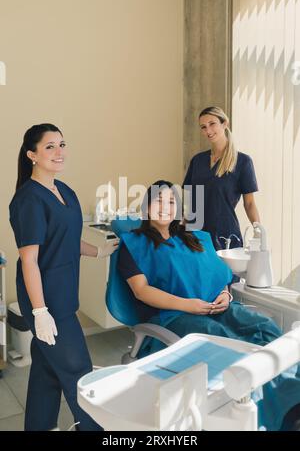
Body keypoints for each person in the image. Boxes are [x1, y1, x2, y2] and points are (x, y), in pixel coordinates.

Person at [117, 180, 300, 431]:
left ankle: (292, 395)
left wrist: (226, 295)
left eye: (171, 202)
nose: (164, 207)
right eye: (158, 200)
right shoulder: (133, 245)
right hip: (173, 316)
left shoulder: (196, 239)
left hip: (216, 307)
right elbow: (141, 291)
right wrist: (188, 305)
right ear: (147, 207)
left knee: (265, 327)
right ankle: (275, 415)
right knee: (225, 340)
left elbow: (217, 278)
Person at [9, 124, 118, 431]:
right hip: (46, 301)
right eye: (49, 147)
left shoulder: (64, 191)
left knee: (46, 370)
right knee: (79, 373)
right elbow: (29, 259)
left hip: (65, 295)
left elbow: (67, 239)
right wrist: (40, 312)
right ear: (32, 155)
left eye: (62, 144)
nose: (59, 152)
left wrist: (98, 252)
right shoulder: (29, 199)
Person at [183, 106, 260, 250]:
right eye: (203, 127)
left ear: (225, 123)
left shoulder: (243, 161)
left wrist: (258, 230)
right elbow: (189, 201)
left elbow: (249, 204)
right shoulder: (197, 160)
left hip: (225, 235)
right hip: (194, 235)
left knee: (225, 273)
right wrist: (181, 229)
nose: (208, 131)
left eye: (212, 124)